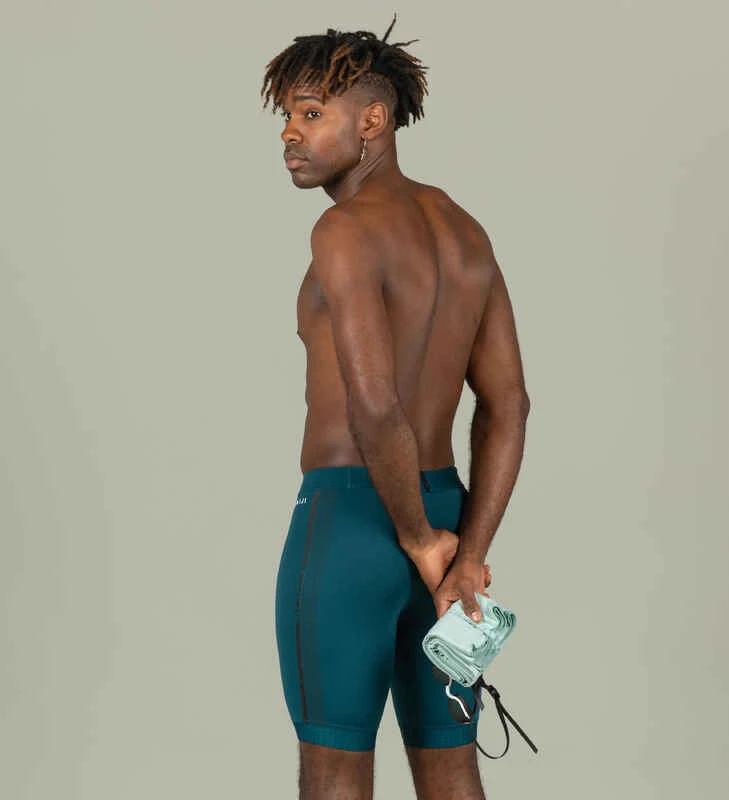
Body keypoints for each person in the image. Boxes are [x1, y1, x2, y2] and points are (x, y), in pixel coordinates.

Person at [262, 14, 530, 800]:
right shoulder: (466, 232)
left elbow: (375, 406)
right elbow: (510, 405)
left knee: (334, 770)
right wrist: (465, 554)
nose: (290, 133)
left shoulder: (344, 229)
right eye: (288, 116)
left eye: (312, 113)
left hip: (354, 521)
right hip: (450, 519)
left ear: (372, 121)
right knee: (452, 769)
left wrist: (414, 539)